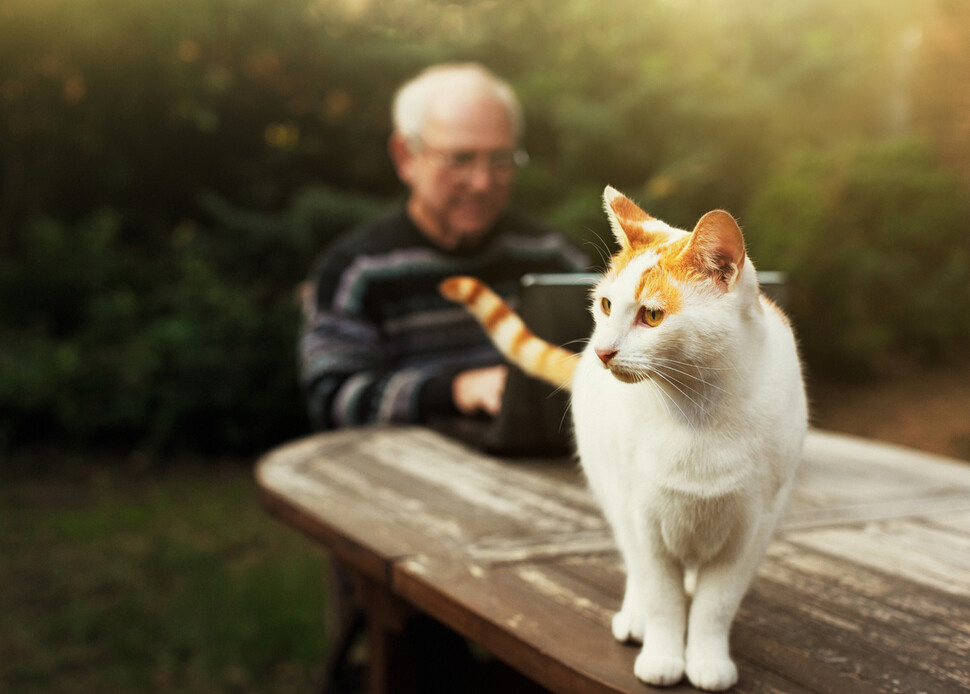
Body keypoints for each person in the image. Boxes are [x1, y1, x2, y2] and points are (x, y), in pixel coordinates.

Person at [298, 62, 588, 432]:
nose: (482, 183)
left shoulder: (554, 257)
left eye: (501, 160)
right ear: (406, 156)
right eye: (460, 159)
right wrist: (454, 390)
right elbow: (332, 401)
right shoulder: (358, 272)